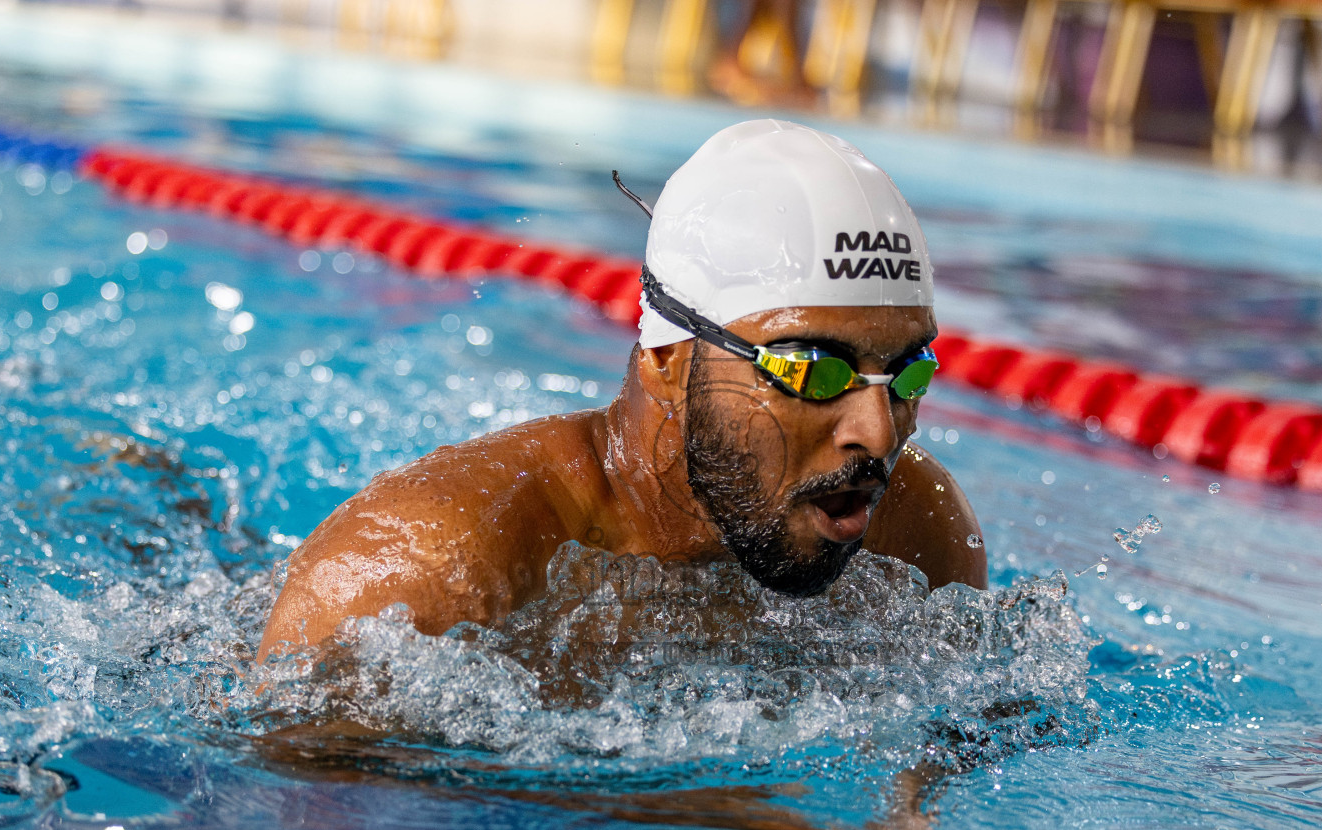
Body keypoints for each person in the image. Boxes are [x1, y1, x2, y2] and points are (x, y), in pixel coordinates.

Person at [257, 119, 987, 662]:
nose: (880, 431)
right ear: (666, 358)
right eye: (811, 369)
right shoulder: (436, 570)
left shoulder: (914, 538)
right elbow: (282, 822)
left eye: (907, 371)